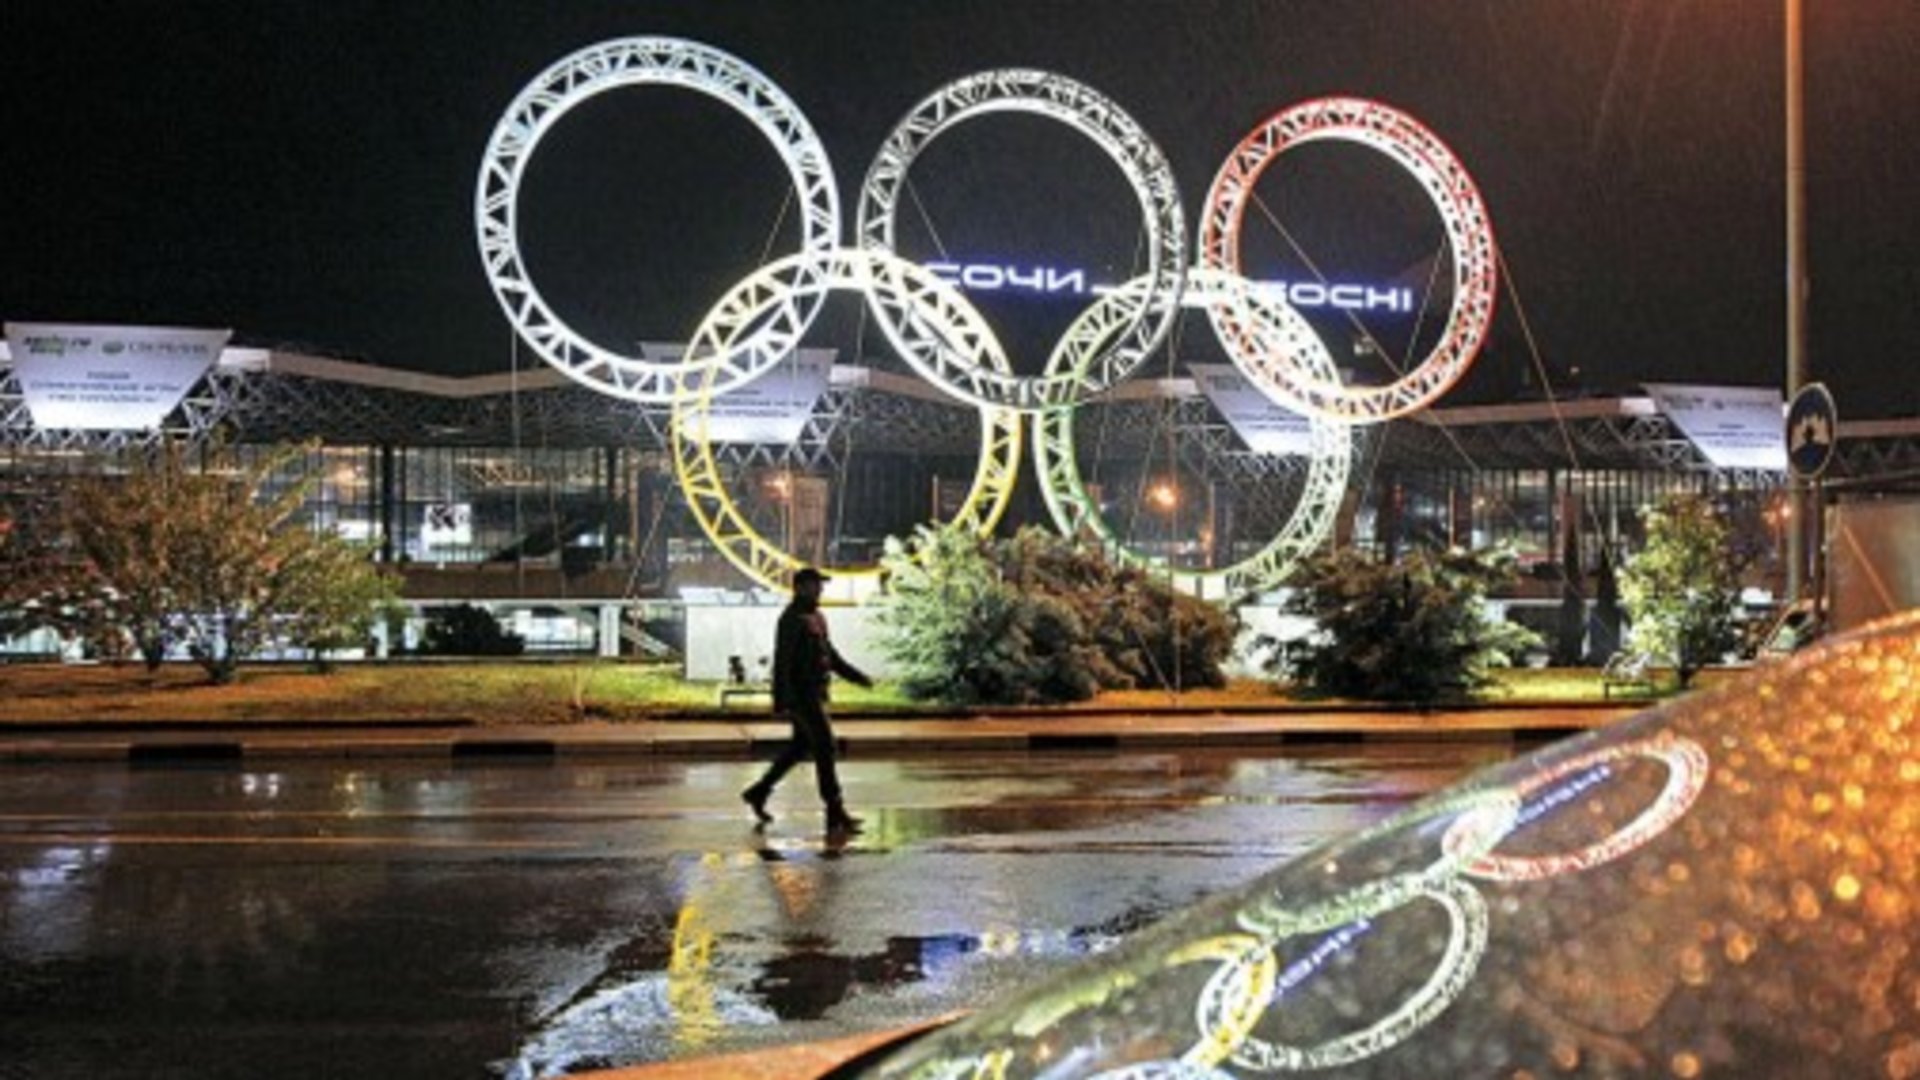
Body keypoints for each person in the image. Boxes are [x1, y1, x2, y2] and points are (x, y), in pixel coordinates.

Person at [741, 566, 872, 835]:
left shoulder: (818, 618)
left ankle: (759, 791)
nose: (820, 589)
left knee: (800, 747)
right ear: (800, 587)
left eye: (820, 585)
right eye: (815, 585)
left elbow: (830, 656)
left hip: (816, 693)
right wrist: (780, 700)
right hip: (802, 696)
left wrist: (856, 676)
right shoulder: (791, 619)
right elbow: (783, 661)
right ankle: (834, 811)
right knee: (825, 747)